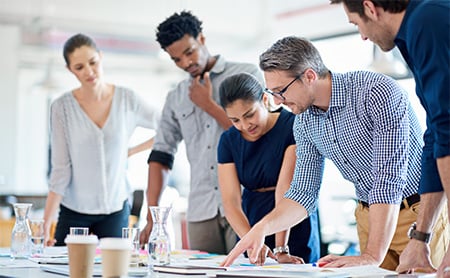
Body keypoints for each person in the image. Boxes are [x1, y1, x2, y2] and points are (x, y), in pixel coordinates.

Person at [221, 36, 448, 270]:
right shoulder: (304, 123)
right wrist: (262, 228)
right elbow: (302, 193)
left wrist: (372, 254)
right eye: (273, 92)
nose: (278, 101)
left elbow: (387, 179)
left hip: (417, 216)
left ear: (309, 76)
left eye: (281, 91)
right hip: (368, 218)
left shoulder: (375, 93)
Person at [329, 1, 450, 275]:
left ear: (370, 8)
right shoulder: (412, 35)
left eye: (356, 24)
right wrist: (420, 238)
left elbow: (447, 127)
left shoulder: (427, 20)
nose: (362, 35)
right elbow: (435, 136)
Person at [138, 11, 264, 254]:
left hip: (247, 205)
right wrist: (152, 215)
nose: (186, 63)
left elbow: (257, 137)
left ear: (202, 40)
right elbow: (161, 155)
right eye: (176, 60)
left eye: (189, 52)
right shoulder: (175, 97)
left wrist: (209, 106)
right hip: (201, 210)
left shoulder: (247, 75)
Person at [43, 33, 158, 246]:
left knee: (114, 272)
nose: (89, 72)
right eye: (79, 67)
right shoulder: (61, 108)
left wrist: (131, 150)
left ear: (101, 57)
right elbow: (60, 169)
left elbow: (167, 126)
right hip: (74, 211)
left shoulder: (127, 99)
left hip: (115, 210)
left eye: (93, 62)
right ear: (70, 70)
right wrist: (46, 221)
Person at [217, 73, 320, 265]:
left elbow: (286, 189)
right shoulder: (228, 140)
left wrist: (281, 249)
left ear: (265, 99)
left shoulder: (292, 125)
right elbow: (230, 202)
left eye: (249, 115)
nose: (245, 125)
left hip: (291, 218)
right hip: (251, 220)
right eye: (235, 120)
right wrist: (251, 239)